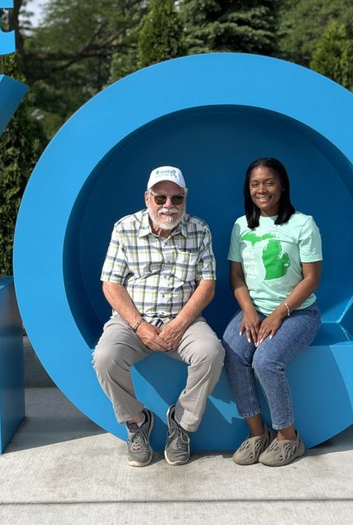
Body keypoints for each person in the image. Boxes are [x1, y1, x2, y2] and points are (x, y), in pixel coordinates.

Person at [93, 166, 224, 467]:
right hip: (133, 320)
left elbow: (207, 285)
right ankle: (137, 421)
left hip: (184, 320)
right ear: (147, 197)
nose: (169, 206)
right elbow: (111, 284)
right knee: (105, 357)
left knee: (211, 352)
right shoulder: (125, 228)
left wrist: (179, 324)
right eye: (161, 198)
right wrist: (139, 325)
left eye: (177, 199)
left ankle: (181, 423)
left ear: (185, 199)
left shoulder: (199, 230)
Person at [222, 158, 322, 467]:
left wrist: (279, 314)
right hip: (256, 311)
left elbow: (311, 278)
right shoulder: (242, 225)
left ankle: (289, 438)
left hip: (298, 313)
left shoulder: (303, 223)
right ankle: (257, 433)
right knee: (233, 351)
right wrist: (249, 312)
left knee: (265, 360)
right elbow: (236, 277)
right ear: (247, 189)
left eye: (268, 182)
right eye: (255, 184)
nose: (261, 189)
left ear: (282, 185)